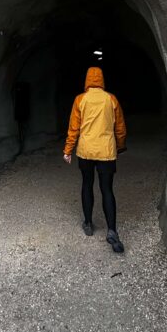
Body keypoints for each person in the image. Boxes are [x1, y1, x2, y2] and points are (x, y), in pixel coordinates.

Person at [63, 66, 127, 253]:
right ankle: (112, 230)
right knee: (107, 189)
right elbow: (120, 127)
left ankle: (89, 223)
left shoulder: (80, 100)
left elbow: (74, 128)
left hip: (86, 151)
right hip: (106, 151)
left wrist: (68, 149)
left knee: (86, 184)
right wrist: (120, 145)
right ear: (101, 80)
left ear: (87, 80)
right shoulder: (111, 99)